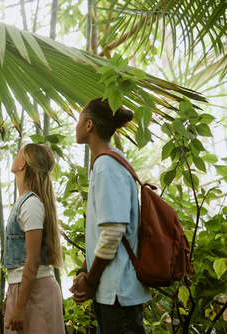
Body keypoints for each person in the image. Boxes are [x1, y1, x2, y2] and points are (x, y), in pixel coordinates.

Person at [70, 98, 151, 333]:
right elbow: (102, 232)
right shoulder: (107, 161)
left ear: (89, 125)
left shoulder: (107, 165)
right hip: (111, 292)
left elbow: (114, 231)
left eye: (78, 120)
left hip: (118, 293)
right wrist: (84, 271)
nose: (76, 126)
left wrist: (90, 281)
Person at [2, 143, 65, 334]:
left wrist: (20, 306)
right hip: (23, 289)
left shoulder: (31, 205)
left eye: (18, 152)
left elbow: (33, 259)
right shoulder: (23, 203)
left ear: (22, 164)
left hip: (36, 291)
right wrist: (11, 295)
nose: (15, 155)